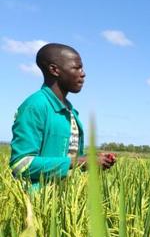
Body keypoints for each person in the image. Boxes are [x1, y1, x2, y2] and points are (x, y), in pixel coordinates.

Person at [10, 43, 115, 184]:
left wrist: (93, 160)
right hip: (35, 201)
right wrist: (79, 161)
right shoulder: (35, 106)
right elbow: (21, 164)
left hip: (63, 200)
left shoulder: (70, 110)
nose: (83, 73)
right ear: (54, 70)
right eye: (76, 68)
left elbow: (68, 159)